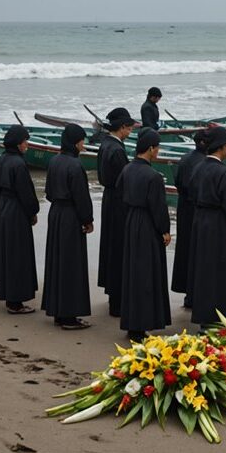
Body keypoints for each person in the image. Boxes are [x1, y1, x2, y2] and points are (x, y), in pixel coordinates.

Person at [117, 128, 172, 340]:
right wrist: (165, 230)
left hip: (131, 221)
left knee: (133, 272)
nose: (158, 152)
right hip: (147, 225)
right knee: (147, 273)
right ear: (150, 148)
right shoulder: (153, 177)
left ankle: (132, 322)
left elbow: (120, 195)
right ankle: (142, 323)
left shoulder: (127, 169)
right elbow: (158, 208)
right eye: (157, 148)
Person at [42, 124, 94, 330]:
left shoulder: (54, 161)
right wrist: (87, 220)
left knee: (57, 261)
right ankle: (69, 315)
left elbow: (47, 191)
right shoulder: (75, 165)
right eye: (82, 140)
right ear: (75, 142)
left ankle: (57, 310)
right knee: (71, 264)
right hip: (71, 215)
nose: (84, 144)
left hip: (55, 213)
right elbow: (81, 196)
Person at [189, 126, 226, 326]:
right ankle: (219, 316)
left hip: (200, 219)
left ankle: (203, 313)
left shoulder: (198, 167)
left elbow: (191, 191)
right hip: (218, 223)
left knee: (203, 268)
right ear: (223, 147)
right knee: (220, 269)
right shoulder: (224, 173)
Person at [0, 126, 39, 314]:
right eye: (25, 141)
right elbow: (25, 192)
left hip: (3, 206)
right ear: (18, 143)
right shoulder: (18, 164)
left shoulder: (1, 159)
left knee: (6, 252)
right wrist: (33, 211)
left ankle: (8, 295)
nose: (27, 144)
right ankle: (15, 301)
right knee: (17, 254)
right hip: (16, 209)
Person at [96, 107, 136, 317]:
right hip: (119, 200)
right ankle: (117, 301)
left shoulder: (105, 145)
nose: (130, 132)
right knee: (119, 248)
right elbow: (125, 180)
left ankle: (113, 294)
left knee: (110, 245)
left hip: (108, 199)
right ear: (122, 128)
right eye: (129, 128)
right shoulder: (117, 150)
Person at [170, 129, 210, 308]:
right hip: (197, 210)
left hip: (183, 209)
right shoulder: (204, 163)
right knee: (199, 252)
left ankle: (188, 293)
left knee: (185, 250)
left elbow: (178, 183)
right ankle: (197, 293)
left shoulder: (185, 158)